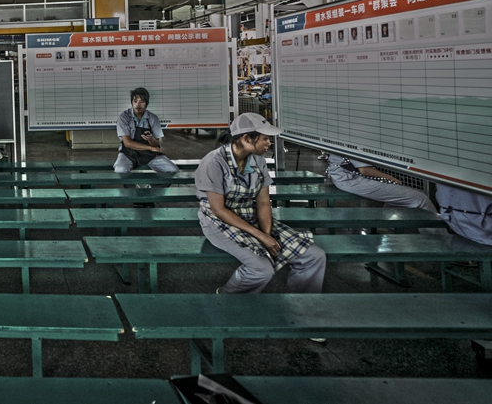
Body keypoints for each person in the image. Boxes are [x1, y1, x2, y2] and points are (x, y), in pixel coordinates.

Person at [195, 113, 326, 294]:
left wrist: (266, 235)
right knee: (261, 270)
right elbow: (218, 209)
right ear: (246, 139)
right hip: (218, 221)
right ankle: (227, 298)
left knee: (314, 256)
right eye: (265, 139)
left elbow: (263, 202)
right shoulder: (213, 163)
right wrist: (262, 237)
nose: (269, 143)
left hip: (250, 216)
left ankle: (300, 303)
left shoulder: (257, 159)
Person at [326, 154, 441, 214]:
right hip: (351, 180)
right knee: (421, 199)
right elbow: (365, 170)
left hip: (343, 177)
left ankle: (386, 223)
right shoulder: (355, 136)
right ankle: (440, 239)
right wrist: (391, 178)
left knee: (399, 195)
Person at [114, 87, 178, 175]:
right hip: (128, 152)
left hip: (149, 154)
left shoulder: (153, 118)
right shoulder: (124, 117)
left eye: (142, 101)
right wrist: (151, 148)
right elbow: (127, 143)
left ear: (147, 103)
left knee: (172, 170)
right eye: (135, 101)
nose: (138, 105)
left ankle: (154, 184)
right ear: (132, 102)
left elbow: (156, 144)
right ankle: (131, 185)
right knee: (120, 170)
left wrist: (151, 139)